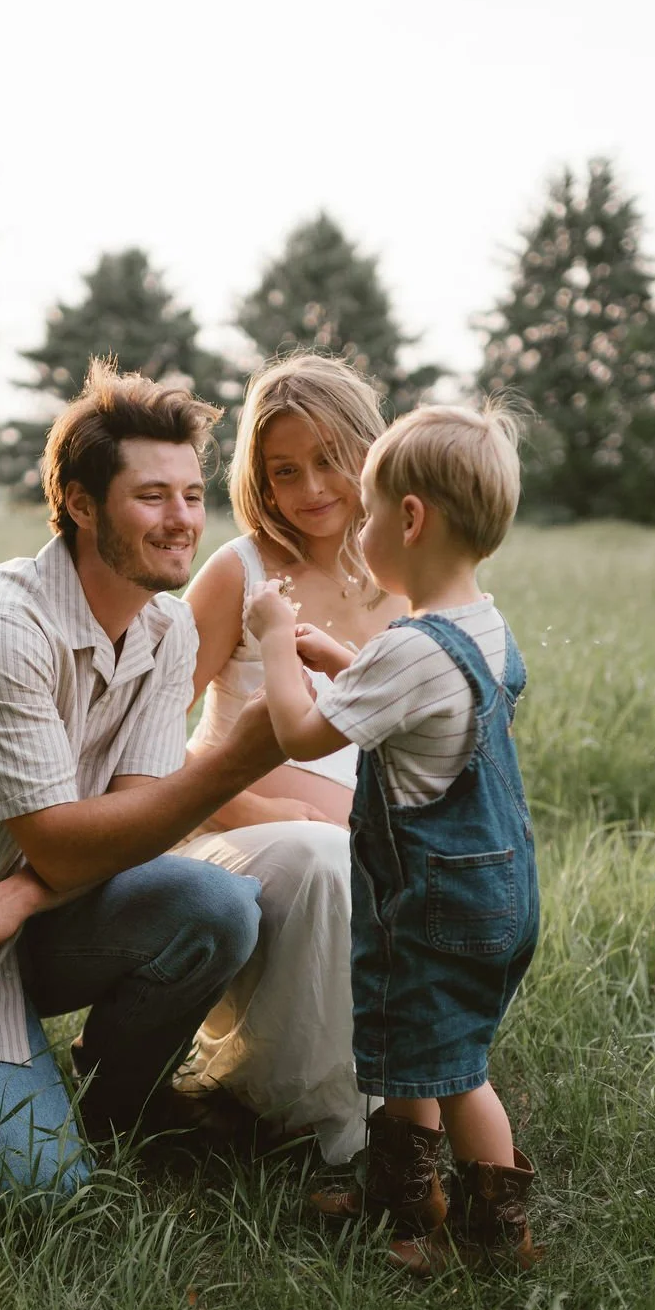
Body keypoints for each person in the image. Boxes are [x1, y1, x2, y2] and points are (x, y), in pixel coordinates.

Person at [0, 360, 282, 1205]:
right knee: (47, 1204)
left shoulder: (165, 629)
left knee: (219, 905)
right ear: (81, 504)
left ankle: (111, 1112)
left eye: (192, 496)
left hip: (41, 910)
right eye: (152, 496)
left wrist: (18, 899)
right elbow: (61, 838)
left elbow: (136, 819)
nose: (183, 520)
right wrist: (235, 758)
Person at [245, 399, 541, 1274]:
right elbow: (425, 706)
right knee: (416, 1043)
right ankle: (404, 1196)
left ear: (410, 520)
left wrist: (270, 643)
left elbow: (302, 735)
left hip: (432, 899)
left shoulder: (410, 648)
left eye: (371, 512)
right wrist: (344, 662)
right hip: (494, 890)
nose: (362, 528)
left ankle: (494, 1238)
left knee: (457, 1074)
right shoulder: (483, 627)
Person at [172, 354, 409, 1162]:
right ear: (259, 481)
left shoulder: (406, 580)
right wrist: (253, 807)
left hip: (363, 840)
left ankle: (389, 1105)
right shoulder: (236, 573)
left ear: (368, 455)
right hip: (231, 833)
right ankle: (303, 1121)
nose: (308, 488)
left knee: (386, 867)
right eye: (283, 471)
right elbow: (141, 734)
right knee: (317, 857)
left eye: (328, 461)